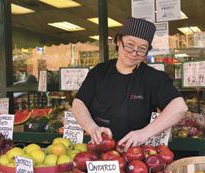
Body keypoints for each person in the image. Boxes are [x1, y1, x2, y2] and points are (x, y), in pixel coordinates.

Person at [72, 17, 188, 151]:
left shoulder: (153, 78)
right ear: (118, 41)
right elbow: (78, 103)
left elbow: (180, 107)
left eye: (142, 48)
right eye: (129, 45)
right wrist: (92, 128)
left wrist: (144, 133)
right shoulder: (99, 72)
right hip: (97, 151)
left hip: (136, 155)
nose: (134, 52)